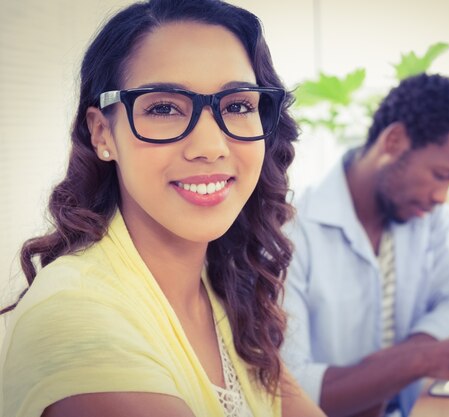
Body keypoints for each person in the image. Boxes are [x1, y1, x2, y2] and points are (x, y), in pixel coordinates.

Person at [0, 1, 326, 416]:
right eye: (164, 108)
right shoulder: (76, 315)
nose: (210, 147)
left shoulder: (224, 290)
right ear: (103, 134)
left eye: (238, 105)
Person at [281, 73, 449, 417]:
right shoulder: (291, 232)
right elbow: (288, 393)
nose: (443, 197)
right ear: (394, 141)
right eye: (441, 175)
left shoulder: (426, 216)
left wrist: (396, 364)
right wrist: (423, 358)